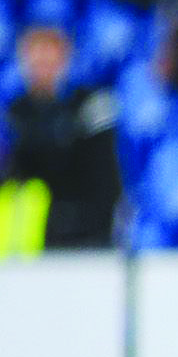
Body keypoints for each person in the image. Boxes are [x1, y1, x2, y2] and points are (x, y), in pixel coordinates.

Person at [1, 23, 122, 251]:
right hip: (33, 236)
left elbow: (104, 180)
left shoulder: (87, 106)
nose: (42, 68)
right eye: (36, 60)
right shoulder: (15, 114)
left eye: (49, 59)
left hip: (86, 234)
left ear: (64, 60)